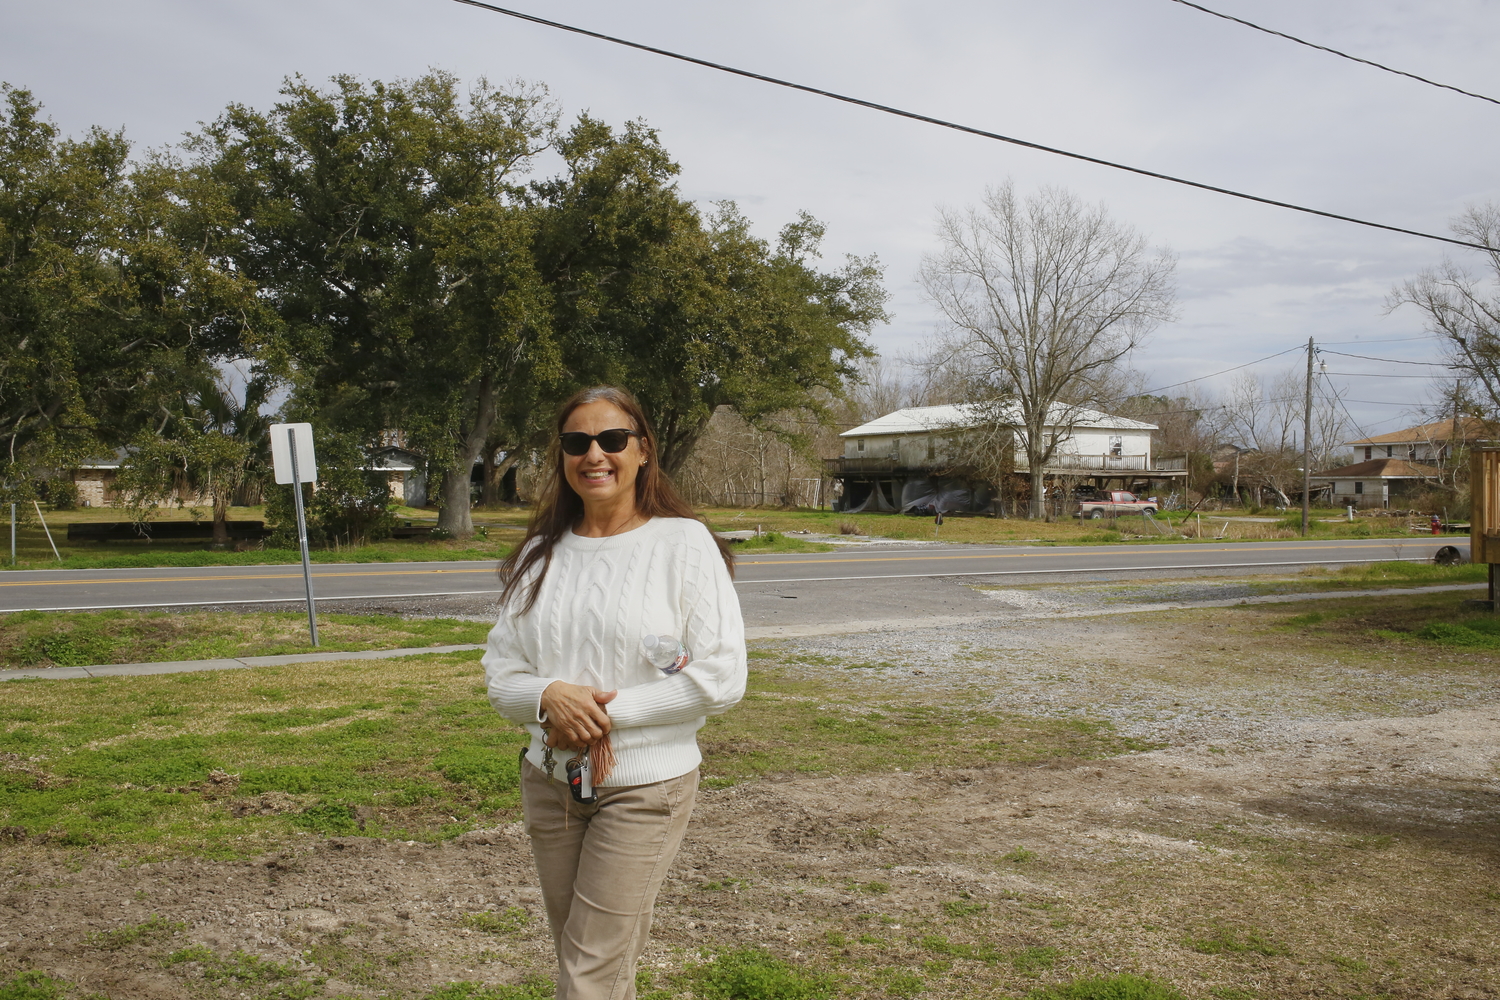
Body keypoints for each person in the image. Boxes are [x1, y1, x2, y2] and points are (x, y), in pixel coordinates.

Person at [483, 385, 746, 1000]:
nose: (594, 454)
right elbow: (501, 673)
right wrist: (549, 695)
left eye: (612, 439)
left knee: (588, 971)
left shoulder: (682, 543)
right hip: (551, 782)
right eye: (577, 442)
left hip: (644, 789)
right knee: (589, 957)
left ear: (643, 450)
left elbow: (721, 677)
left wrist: (600, 715)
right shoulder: (540, 554)